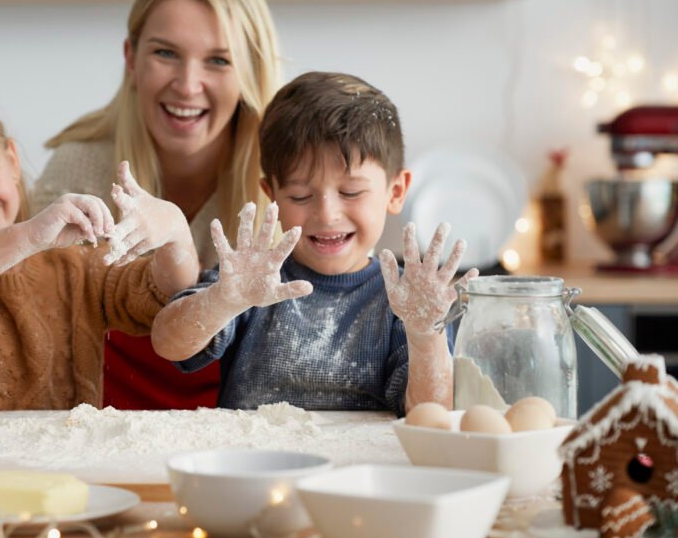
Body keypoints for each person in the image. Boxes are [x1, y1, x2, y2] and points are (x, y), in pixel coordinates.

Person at [35, 0, 282, 410]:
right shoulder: (74, 173)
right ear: (131, 57)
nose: (188, 85)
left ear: (252, 70)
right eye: (165, 53)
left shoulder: (288, 181)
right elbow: (42, 337)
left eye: (218, 60)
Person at [151, 72, 478, 415]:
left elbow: (431, 413)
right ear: (272, 196)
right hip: (255, 464)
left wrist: (426, 335)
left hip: (360, 467)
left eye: (350, 192)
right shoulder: (253, 283)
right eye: (300, 195)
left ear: (395, 192)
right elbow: (168, 343)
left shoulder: (406, 301)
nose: (326, 213)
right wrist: (223, 300)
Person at [0, 83, 200, 427]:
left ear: (12, 161)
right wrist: (29, 236)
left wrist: (176, 236)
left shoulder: (76, 267)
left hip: (60, 472)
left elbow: (161, 296)